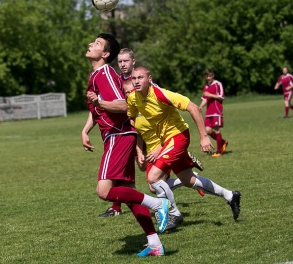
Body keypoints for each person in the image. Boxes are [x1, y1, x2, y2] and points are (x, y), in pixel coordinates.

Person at [81, 33, 170, 257]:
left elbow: (122, 105)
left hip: (118, 135)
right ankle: (154, 244)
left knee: (105, 191)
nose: (91, 44)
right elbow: (100, 108)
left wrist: (99, 101)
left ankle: (158, 204)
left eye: (98, 44)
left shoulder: (104, 73)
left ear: (106, 54)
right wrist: (85, 130)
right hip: (118, 135)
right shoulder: (97, 75)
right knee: (128, 193)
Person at [127, 66, 241, 224]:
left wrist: (204, 137)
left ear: (150, 79)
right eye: (134, 78)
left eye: (140, 78)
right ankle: (230, 195)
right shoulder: (133, 98)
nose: (137, 81)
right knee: (188, 180)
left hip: (178, 136)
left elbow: (193, 107)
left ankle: (174, 214)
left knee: (153, 178)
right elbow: (131, 117)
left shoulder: (161, 94)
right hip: (166, 140)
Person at [123, 79, 205, 232]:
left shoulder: (151, 103)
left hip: (162, 147)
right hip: (150, 150)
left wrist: (160, 148)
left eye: (130, 90)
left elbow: (164, 129)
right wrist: (139, 152)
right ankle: (189, 176)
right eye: (126, 92)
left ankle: (173, 214)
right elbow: (139, 134)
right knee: (154, 186)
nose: (129, 93)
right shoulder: (135, 106)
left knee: (154, 180)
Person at [98, 48, 136, 218]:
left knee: (152, 174)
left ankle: (165, 204)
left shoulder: (139, 79)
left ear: (133, 61)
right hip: (128, 132)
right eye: (120, 61)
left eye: (126, 61)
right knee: (124, 175)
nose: (122, 64)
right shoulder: (116, 80)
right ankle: (117, 207)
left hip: (142, 130)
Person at [199, 69, 228, 157]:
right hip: (209, 112)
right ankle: (222, 142)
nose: (209, 78)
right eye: (207, 76)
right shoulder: (206, 87)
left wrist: (210, 95)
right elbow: (205, 98)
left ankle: (219, 151)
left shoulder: (217, 84)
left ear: (213, 75)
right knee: (207, 130)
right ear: (205, 77)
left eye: (210, 76)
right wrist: (200, 106)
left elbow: (221, 97)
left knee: (216, 129)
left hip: (216, 110)